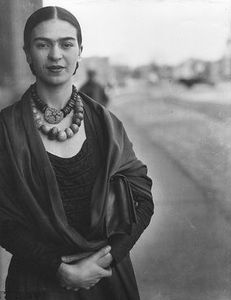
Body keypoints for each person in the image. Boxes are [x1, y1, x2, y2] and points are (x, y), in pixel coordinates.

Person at [0, 6, 154, 300]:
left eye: (66, 43)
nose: (55, 54)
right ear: (27, 53)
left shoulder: (106, 124)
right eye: (43, 44)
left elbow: (141, 198)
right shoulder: (6, 129)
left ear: (80, 51)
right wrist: (57, 269)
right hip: (37, 284)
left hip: (108, 280)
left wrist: (106, 260)